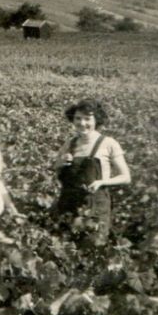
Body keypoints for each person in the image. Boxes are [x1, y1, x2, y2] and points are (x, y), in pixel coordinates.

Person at [54, 100, 131, 241]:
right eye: (78, 118)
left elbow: (125, 177)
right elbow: (57, 171)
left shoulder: (108, 143)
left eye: (87, 119)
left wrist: (101, 182)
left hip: (96, 206)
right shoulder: (69, 144)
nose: (82, 123)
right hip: (68, 205)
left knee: (93, 246)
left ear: (97, 120)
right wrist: (61, 162)